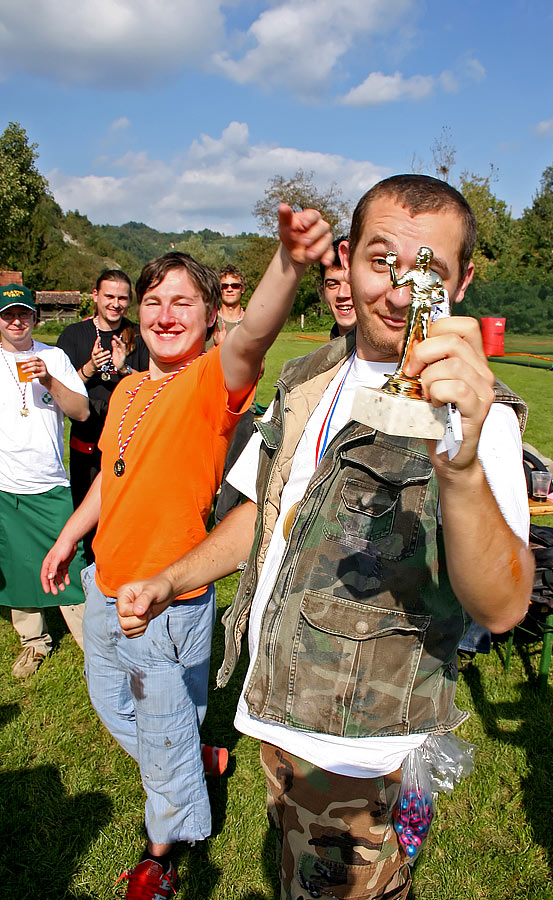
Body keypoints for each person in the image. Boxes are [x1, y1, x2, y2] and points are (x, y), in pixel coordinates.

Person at [114, 175, 535, 900]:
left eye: (428, 271)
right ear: (348, 259)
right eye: (382, 261)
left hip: (359, 747)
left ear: (460, 283)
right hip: (276, 715)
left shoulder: (479, 418)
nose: (401, 292)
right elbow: (263, 513)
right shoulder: (308, 378)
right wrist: (174, 579)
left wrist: (459, 466)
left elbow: (502, 606)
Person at [41, 206, 333, 900]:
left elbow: (253, 337)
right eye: (153, 301)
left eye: (182, 302)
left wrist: (288, 265)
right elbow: (113, 480)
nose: (165, 314)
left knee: (161, 734)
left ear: (208, 316)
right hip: (105, 589)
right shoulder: (130, 389)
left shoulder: (209, 384)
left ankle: (161, 858)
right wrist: (68, 537)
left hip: (166, 605)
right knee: (120, 713)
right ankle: (199, 755)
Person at [0, 283, 89, 677]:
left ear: (35, 318)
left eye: (23, 313)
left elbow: (83, 412)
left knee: (73, 562)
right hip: (5, 484)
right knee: (18, 564)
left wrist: (50, 380)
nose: (16, 320)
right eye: (8, 314)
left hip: (50, 481)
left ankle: (95, 644)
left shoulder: (54, 356)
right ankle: (34, 643)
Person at [57, 269, 149, 563]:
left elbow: (155, 388)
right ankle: (88, 585)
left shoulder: (140, 335)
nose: (116, 303)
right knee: (86, 523)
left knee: (125, 521)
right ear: (95, 296)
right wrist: (88, 369)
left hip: (130, 446)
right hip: (86, 444)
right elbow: (57, 391)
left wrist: (124, 370)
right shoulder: (73, 336)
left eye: (122, 297)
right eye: (109, 296)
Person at [320, 235, 356, 338]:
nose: (342, 294)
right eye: (333, 285)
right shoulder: (324, 354)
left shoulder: (399, 350)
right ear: (323, 293)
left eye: (352, 283)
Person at [213, 264, 247, 346]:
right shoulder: (210, 321)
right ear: (219, 289)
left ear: (242, 289)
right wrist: (217, 346)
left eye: (234, 286)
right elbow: (200, 358)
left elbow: (259, 358)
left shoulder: (251, 322)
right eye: (224, 286)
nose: (229, 289)